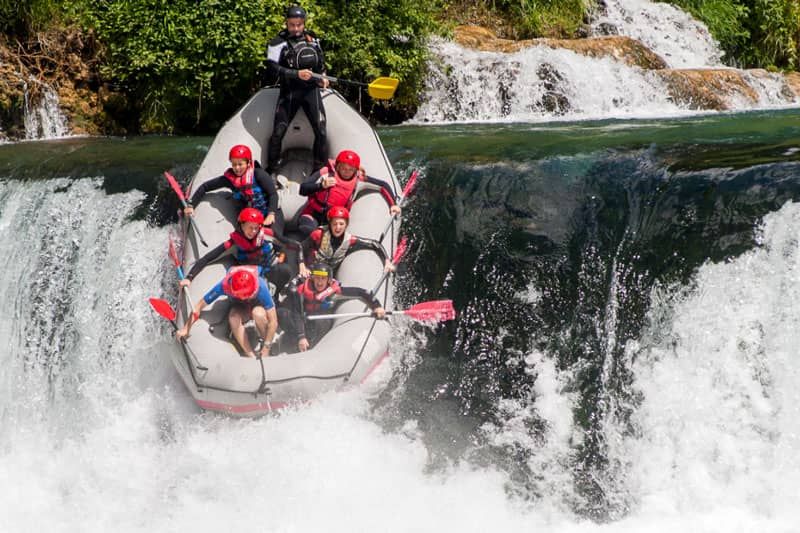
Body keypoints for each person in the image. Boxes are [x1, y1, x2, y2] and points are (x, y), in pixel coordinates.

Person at [265, 5, 328, 173]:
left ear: (304, 23)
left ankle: (319, 169)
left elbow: (320, 63)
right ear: (286, 23)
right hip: (290, 91)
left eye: (299, 24)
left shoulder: (313, 39)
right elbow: (271, 68)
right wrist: (296, 74)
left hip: (311, 91)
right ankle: (272, 169)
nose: (295, 28)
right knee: (278, 131)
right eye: (292, 24)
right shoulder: (277, 42)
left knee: (321, 130)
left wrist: (322, 76)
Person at [180, 207, 295, 296]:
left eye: (256, 228)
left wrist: (300, 262)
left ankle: (277, 293)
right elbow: (207, 258)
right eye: (250, 227)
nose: (253, 232)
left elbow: (290, 244)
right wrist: (189, 278)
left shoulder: (266, 235)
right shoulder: (233, 244)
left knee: (285, 270)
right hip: (253, 275)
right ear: (242, 225)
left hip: (271, 268)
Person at [277, 263, 385, 352]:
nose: (319, 282)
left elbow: (361, 292)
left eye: (323, 279)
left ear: (328, 280)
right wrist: (301, 336)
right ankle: (290, 340)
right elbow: (297, 313)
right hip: (302, 318)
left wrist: (377, 306)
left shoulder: (335, 291)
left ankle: (312, 348)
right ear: (313, 278)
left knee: (321, 321)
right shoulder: (301, 291)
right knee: (281, 313)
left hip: (318, 322)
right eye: (317, 278)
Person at [176, 265, 278, 358]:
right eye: (251, 294)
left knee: (258, 313)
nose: (254, 293)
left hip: (258, 306)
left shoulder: (260, 286)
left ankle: (266, 344)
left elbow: (273, 321)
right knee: (233, 317)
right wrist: (186, 328)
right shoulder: (224, 286)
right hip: (242, 306)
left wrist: (266, 347)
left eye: (253, 292)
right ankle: (250, 354)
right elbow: (198, 306)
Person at [184, 144, 284, 237]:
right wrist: (191, 205)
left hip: (271, 212)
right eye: (234, 164)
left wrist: (271, 214)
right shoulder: (229, 180)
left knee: (275, 238)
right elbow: (205, 186)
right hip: (252, 219)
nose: (237, 168)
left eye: (240, 164)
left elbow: (273, 195)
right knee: (245, 241)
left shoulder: (258, 174)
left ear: (248, 163)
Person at [297, 149, 400, 237]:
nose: (347, 172)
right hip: (313, 213)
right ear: (337, 166)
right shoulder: (326, 172)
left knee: (333, 237)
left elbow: (383, 185)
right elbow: (302, 189)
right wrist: (321, 185)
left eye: (350, 169)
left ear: (355, 170)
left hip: (335, 219)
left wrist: (393, 204)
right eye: (343, 168)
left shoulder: (359, 179)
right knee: (308, 229)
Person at [298, 206, 394, 278]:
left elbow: (374, 244)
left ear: (346, 225)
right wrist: (302, 265)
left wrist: (387, 261)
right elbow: (300, 247)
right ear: (330, 224)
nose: (338, 227)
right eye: (334, 224)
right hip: (310, 270)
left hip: (327, 276)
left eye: (341, 224)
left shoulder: (350, 240)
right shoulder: (319, 234)